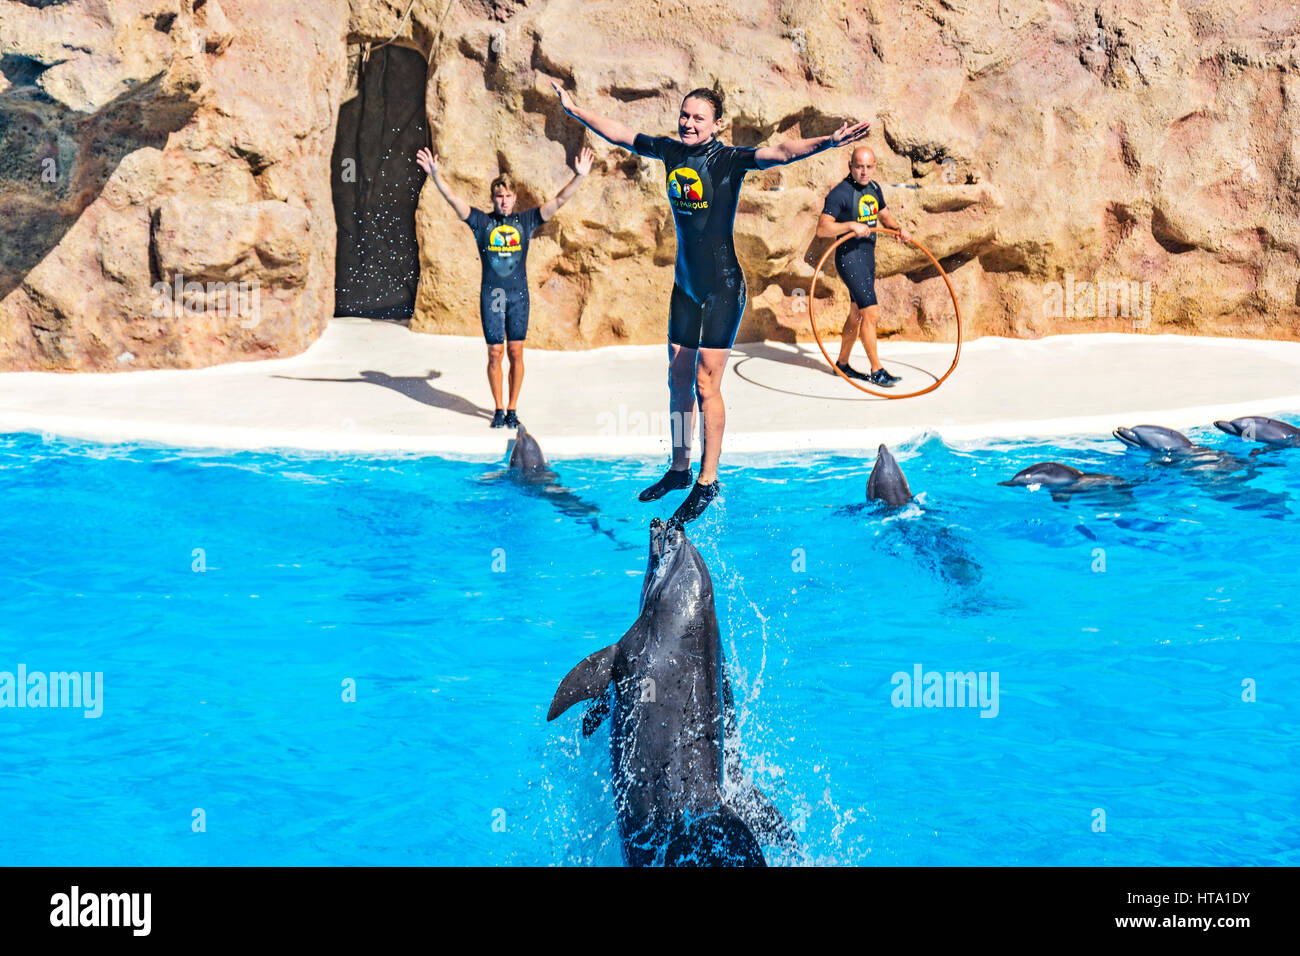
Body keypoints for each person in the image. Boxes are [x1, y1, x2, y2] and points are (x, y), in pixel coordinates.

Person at [553, 82, 870, 524]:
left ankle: (707, 480)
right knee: (677, 377)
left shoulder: (727, 160)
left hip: (723, 288)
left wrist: (828, 141)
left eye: (698, 118)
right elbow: (621, 134)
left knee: (705, 385)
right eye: (685, 115)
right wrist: (575, 110)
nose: (688, 123)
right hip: (685, 285)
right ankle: (679, 469)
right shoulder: (670, 152)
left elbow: (780, 152)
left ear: (717, 125)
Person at [415, 146, 593, 427]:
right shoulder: (481, 222)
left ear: (514, 198)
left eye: (509, 196)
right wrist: (435, 174)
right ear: (493, 198)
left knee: (516, 352)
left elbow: (559, 200)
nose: (504, 201)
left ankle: (512, 409)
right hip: (493, 296)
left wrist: (580, 176)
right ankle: (498, 409)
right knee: (495, 353)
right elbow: (452, 198)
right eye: (500, 196)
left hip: (518, 296)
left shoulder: (526, 221)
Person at [816, 146, 911, 387]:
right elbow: (823, 228)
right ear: (850, 166)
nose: (864, 171)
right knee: (871, 312)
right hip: (849, 259)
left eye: (869, 166)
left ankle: (843, 364)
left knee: (856, 314)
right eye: (859, 166)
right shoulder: (840, 193)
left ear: (875, 166)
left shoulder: (874, 188)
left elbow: (885, 216)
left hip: (867, 258)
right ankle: (877, 370)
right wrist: (849, 225)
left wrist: (898, 230)